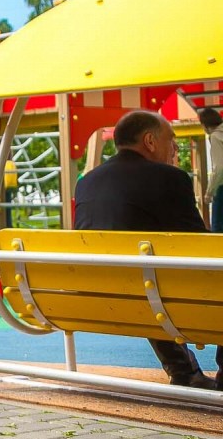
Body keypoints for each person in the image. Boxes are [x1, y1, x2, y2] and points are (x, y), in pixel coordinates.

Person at [74, 109, 218, 388]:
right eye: (171, 139)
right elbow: (201, 246)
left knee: (148, 281)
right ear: (150, 141)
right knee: (158, 282)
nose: (175, 148)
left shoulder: (87, 182)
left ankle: (183, 371)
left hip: (99, 295)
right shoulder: (169, 178)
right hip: (153, 292)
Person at [199, 106, 223, 233]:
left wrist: (209, 192)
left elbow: (219, 167)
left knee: (218, 228)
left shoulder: (215, 136)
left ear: (204, 124)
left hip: (222, 187)